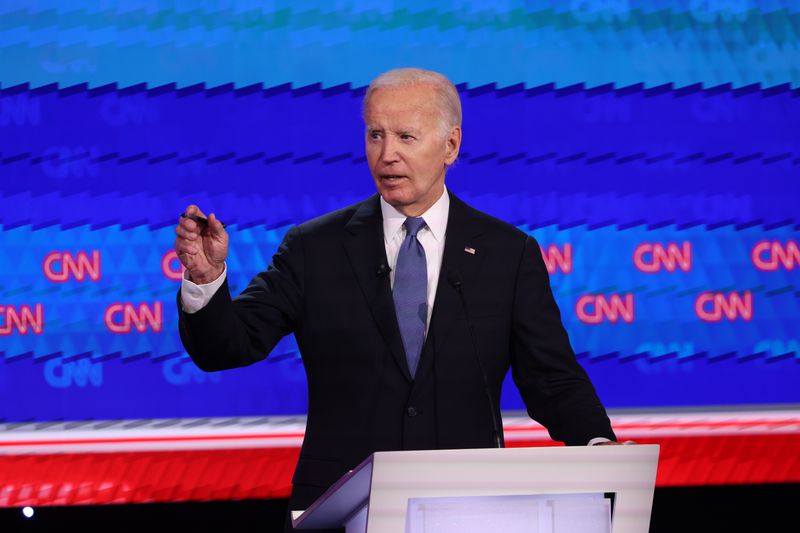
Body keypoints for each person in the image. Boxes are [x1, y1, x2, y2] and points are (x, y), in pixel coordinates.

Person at [174, 68, 617, 530]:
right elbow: (227, 346)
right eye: (375, 135)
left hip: (467, 508)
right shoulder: (314, 248)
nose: (388, 155)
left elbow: (552, 379)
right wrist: (206, 278)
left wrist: (598, 446)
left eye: (406, 136)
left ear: (451, 145)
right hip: (341, 511)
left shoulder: (508, 254)